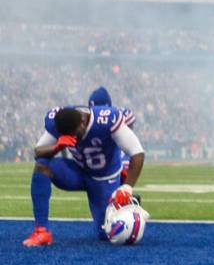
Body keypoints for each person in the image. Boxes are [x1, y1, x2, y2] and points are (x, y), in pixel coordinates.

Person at [23, 105, 145, 246]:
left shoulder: (105, 120)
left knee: (107, 234)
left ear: (82, 122)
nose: (73, 138)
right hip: (77, 172)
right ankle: (41, 231)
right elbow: (38, 152)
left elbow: (137, 153)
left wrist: (127, 186)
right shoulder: (59, 120)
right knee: (42, 165)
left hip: (104, 179)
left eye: (74, 134)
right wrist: (56, 147)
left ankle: (128, 201)